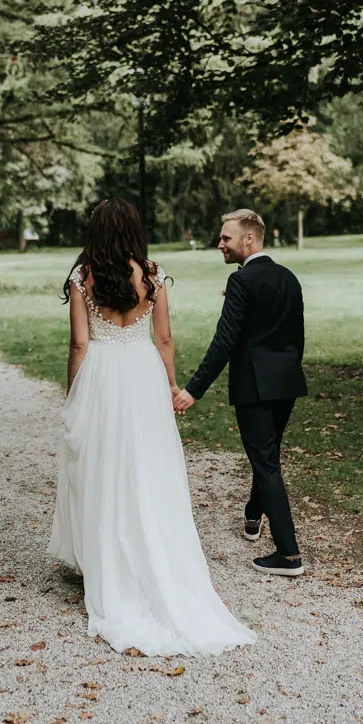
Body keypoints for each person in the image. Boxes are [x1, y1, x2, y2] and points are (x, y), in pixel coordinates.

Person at [48, 198, 255, 657]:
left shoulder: (83, 277)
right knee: (147, 464)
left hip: (102, 375)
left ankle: (104, 560)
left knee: (100, 465)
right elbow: (163, 338)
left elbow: (79, 343)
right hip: (142, 372)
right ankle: (148, 551)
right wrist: (171, 384)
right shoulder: (153, 274)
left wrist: (73, 392)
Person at [174, 209, 307, 578]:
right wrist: (289, 372)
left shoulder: (242, 282)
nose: (220, 244)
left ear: (248, 239)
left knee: (265, 462)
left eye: (226, 238)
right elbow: (297, 338)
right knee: (268, 454)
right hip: (286, 382)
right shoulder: (289, 278)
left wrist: (193, 390)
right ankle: (253, 516)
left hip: (254, 386)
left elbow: (224, 342)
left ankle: (289, 554)